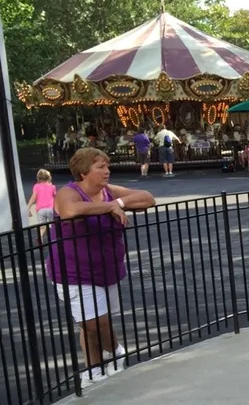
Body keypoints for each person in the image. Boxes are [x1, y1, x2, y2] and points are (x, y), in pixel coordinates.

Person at [47, 148, 155, 386]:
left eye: (107, 166)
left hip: (106, 269)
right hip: (75, 271)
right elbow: (71, 211)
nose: (107, 171)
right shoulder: (68, 193)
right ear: (84, 172)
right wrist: (109, 208)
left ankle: (93, 371)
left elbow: (147, 198)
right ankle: (115, 352)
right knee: (94, 321)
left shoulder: (108, 193)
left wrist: (117, 202)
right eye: (100, 167)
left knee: (95, 323)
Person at [26, 169, 58, 242]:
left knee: (42, 227)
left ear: (38, 177)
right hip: (50, 208)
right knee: (53, 224)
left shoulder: (36, 186)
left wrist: (28, 207)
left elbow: (34, 197)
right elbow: (56, 197)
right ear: (49, 177)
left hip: (40, 210)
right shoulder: (52, 187)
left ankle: (40, 238)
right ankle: (55, 239)